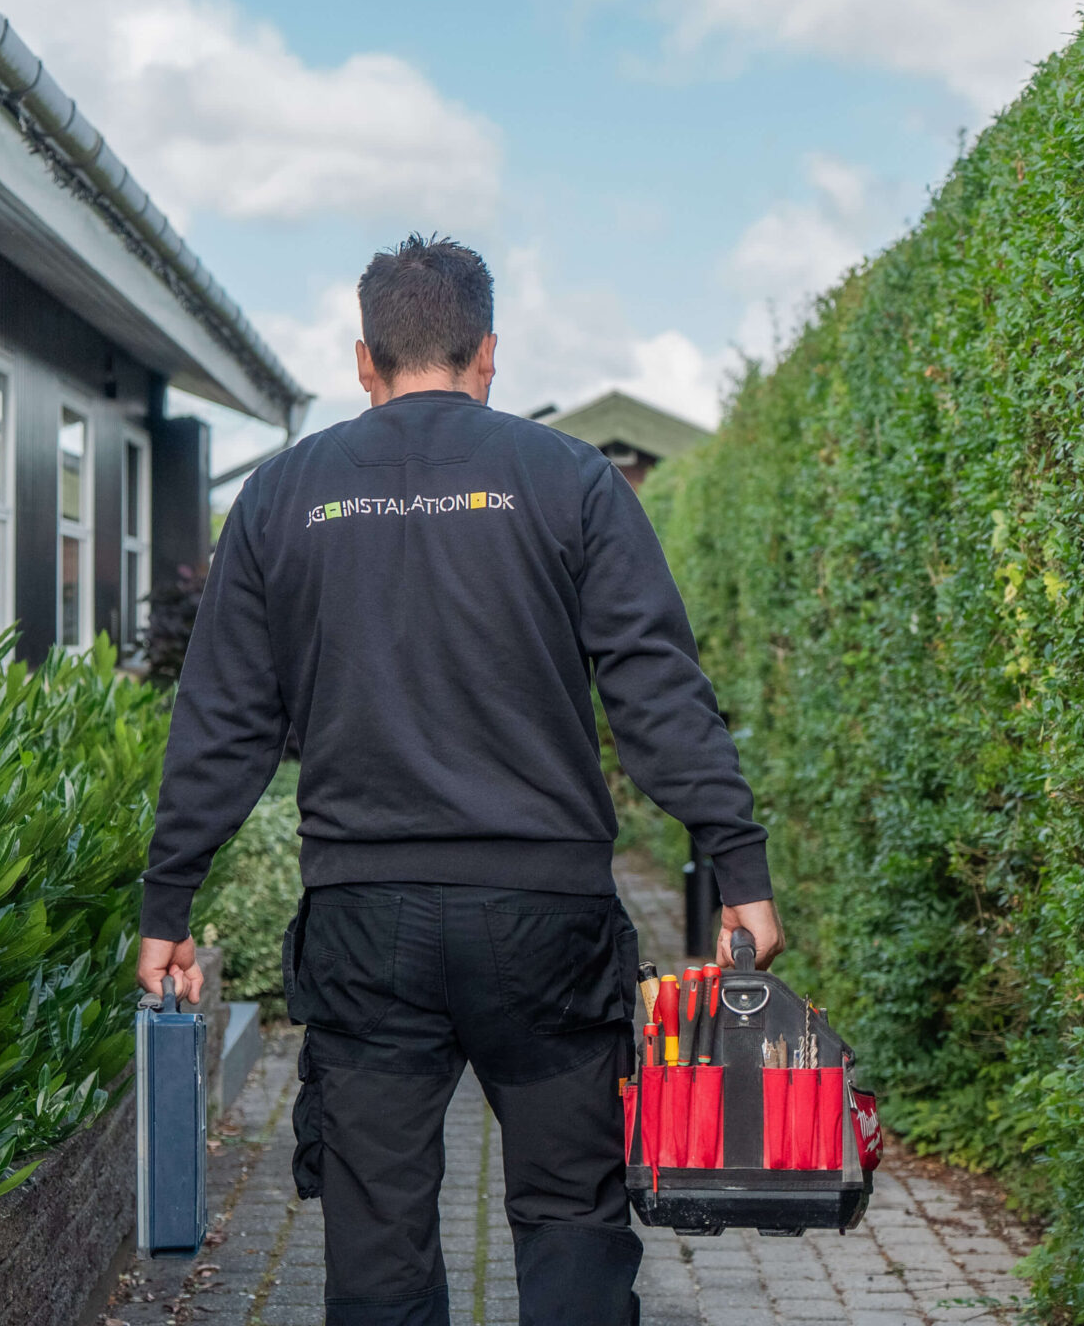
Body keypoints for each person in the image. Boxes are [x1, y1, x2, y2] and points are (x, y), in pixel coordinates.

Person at [137, 234, 782, 1326]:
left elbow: (223, 720)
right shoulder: (570, 478)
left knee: (375, 1233)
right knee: (571, 1215)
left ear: (363, 361)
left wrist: (168, 905)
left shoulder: (282, 493)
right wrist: (739, 866)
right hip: (547, 925)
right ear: (488, 353)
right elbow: (655, 689)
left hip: (363, 926)